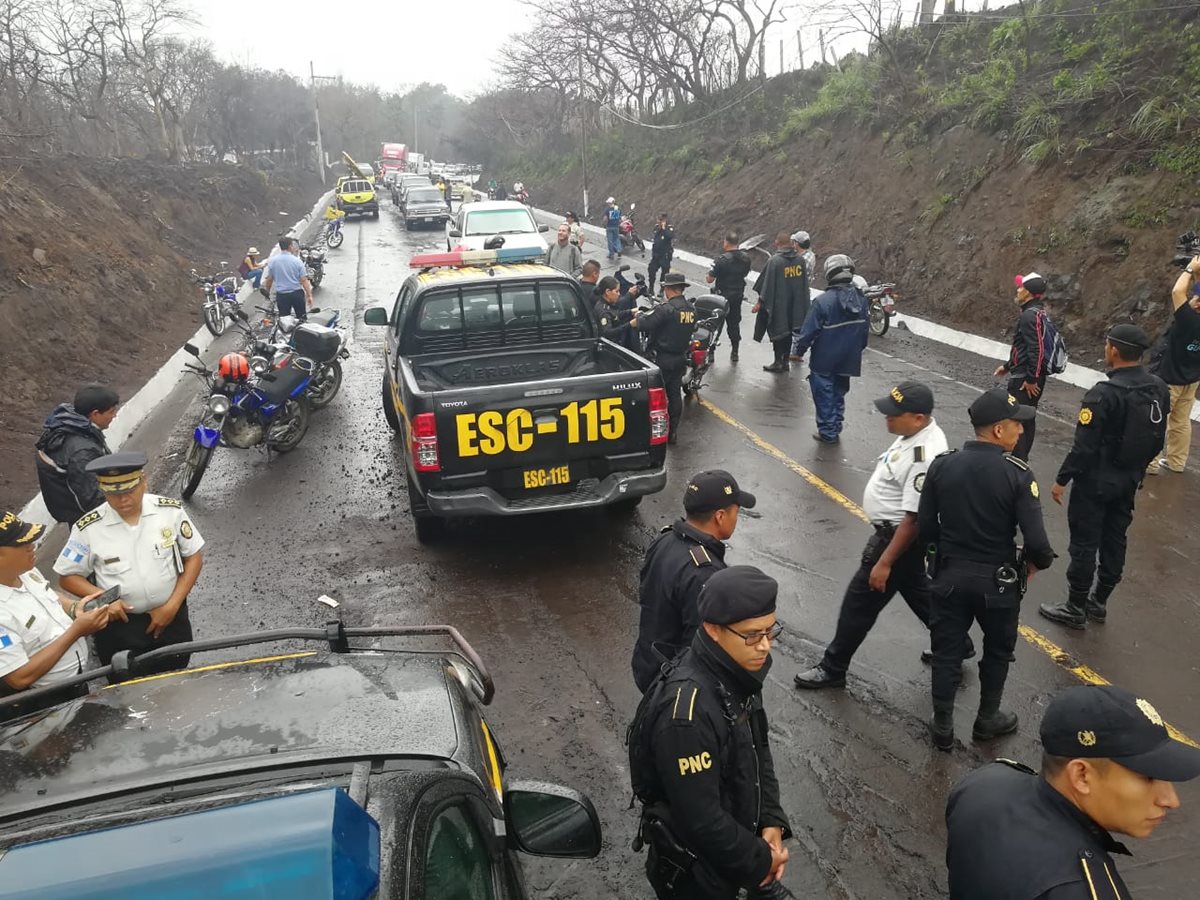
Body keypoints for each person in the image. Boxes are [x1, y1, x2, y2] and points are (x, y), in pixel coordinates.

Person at [946, 683, 1200, 899]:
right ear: (1081, 775)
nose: (1171, 800)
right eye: (1149, 776)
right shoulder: (1080, 889)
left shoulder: (985, 781)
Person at [630, 566, 792, 899]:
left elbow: (758, 747)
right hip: (696, 872)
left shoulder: (739, 668)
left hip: (735, 852)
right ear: (713, 629)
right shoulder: (686, 715)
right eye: (752, 635)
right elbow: (701, 819)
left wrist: (770, 819)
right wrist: (760, 862)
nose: (765, 647)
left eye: (770, 631)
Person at [794, 381, 967, 689]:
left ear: (918, 417)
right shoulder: (914, 433)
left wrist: (885, 562)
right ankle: (958, 642)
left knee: (858, 604)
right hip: (899, 538)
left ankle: (833, 667)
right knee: (919, 592)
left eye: (894, 414)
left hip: (897, 539)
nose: (887, 417)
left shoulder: (923, 455)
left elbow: (913, 519)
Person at [918, 387, 1056, 750]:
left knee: (946, 651)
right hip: (998, 583)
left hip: (948, 577)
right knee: (997, 650)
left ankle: (943, 724)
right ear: (998, 430)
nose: (1021, 431)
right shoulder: (1018, 475)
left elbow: (927, 528)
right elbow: (1038, 544)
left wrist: (940, 556)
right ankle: (987, 719)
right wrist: (1034, 565)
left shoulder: (942, 465)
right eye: (1016, 425)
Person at [1039, 324, 1169, 630]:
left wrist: (1062, 479)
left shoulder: (1103, 394)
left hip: (1095, 481)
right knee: (1115, 539)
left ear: (1113, 350)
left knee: (1084, 543)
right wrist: (1136, 470)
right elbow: (1157, 437)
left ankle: (1075, 606)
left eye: (1107, 344)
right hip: (1128, 479)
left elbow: (1083, 447)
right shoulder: (1158, 388)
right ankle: (1099, 602)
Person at [54, 452, 204, 675]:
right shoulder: (88, 528)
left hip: (170, 619)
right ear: (102, 489)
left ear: (144, 481)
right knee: (126, 688)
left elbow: (194, 557)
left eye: (129, 490)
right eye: (113, 493)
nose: (122, 499)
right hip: (121, 628)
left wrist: (172, 605)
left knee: (178, 678)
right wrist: (106, 600)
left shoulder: (169, 512)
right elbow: (67, 577)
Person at [632, 470, 756, 692]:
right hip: (672, 683)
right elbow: (699, 646)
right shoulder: (705, 573)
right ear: (720, 516)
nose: (737, 518)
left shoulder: (665, 540)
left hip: (648, 661)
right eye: (736, 511)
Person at [0, 511, 128, 719]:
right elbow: (19, 677)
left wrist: (73, 608)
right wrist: (77, 631)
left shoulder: (25, 571)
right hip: (40, 708)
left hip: (75, 685)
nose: (32, 546)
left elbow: (48, 594)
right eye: (21, 544)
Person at [790, 255, 869, 444]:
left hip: (825, 358)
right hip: (849, 358)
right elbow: (865, 332)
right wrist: (857, 349)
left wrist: (798, 352)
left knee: (824, 392)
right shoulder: (861, 299)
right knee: (839, 391)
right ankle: (836, 425)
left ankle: (828, 432)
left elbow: (808, 332)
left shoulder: (822, 302)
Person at [35, 384, 119, 526]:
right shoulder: (81, 451)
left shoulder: (74, 426)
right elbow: (92, 499)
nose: (114, 415)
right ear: (95, 414)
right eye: (111, 412)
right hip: (90, 521)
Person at [1146, 256, 1200, 474]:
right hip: (1192, 378)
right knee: (1181, 421)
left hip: (1169, 378)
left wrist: (1189, 268)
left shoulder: (1189, 320)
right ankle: (1177, 462)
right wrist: (1197, 274)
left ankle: (1150, 463)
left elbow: (1177, 292)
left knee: (1157, 419)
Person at [993, 272, 1055, 461]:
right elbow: (1023, 347)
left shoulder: (1029, 316)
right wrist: (1008, 366)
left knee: (1018, 417)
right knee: (1026, 416)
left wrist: (1031, 379)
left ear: (1028, 293)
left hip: (1026, 378)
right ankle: (1020, 458)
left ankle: (1018, 460)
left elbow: (1036, 349)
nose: (1018, 290)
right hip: (1026, 373)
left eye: (1021, 288)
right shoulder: (1037, 312)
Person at [635, 271, 695, 444]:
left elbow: (646, 324)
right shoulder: (691, 309)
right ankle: (673, 431)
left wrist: (638, 317)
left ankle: (655, 433)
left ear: (669, 289)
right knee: (675, 395)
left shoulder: (666, 309)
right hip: (680, 358)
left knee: (656, 398)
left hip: (662, 358)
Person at [752, 232, 810, 373]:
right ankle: (785, 362)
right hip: (794, 305)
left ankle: (778, 361)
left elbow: (766, 285)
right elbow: (804, 285)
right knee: (789, 332)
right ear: (791, 243)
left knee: (778, 331)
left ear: (777, 243)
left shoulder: (775, 261)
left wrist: (760, 303)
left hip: (778, 304)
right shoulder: (800, 261)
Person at [705, 233, 753, 363]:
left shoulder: (721, 260)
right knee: (734, 323)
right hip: (737, 295)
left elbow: (709, 279)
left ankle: (711, 352)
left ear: (726, 242)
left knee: (716, 324)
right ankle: (735, 351)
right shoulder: (746, 259)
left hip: (722, 296)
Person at [261, 237, 312, 322]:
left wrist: (267, 292)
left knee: (284, 322)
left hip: (282, 296)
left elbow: (269, 279)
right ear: (290, 246)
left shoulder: (273, 261)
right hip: (297, 294)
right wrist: (309, 295)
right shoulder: (297, 261)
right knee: (302, 319)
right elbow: (303, 280)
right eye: (292, 245)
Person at [787, 232, 817, 362]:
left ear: (797, 244)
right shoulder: (807, 255)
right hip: (800, 292)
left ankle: (796, 352)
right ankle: (795, 350)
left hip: (799, 293)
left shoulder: (804, 259)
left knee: (797, 323)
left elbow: (794, 276)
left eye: (794, 242)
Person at [592, 276, 639, 352]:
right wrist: (630, 324)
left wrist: (630, 311)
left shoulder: (607, 303)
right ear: (607, 292)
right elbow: (608, 333)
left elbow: (615, 315)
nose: (619, 294)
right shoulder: (603, 311)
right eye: (616, 291)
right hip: (610, 349)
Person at [648, 213, 675, 295]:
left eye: (660, 220)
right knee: (651, 270)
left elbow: (670, 236)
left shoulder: (669, 228)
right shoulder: (656, 228)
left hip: (665, 255)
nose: (658, 221)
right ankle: (651, 288)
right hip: (656, 255)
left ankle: (662, 290)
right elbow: (655, 236)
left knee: (664, 273)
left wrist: (664, 228)